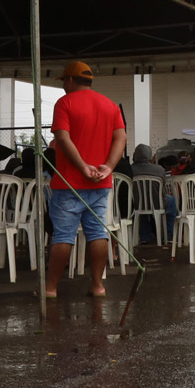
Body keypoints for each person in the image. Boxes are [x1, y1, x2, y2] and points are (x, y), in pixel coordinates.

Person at [47, 60, 126, 298]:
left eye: (64, 82)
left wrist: (82, 167)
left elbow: (62, 138)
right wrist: (108, 167)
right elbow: (120, 138)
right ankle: (97, 286)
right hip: (100, 181)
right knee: (98, 232)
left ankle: (50, 288)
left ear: (70, 80)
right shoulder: (110, 105)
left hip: (69, 182)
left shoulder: (65, 103)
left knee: (63, 234)